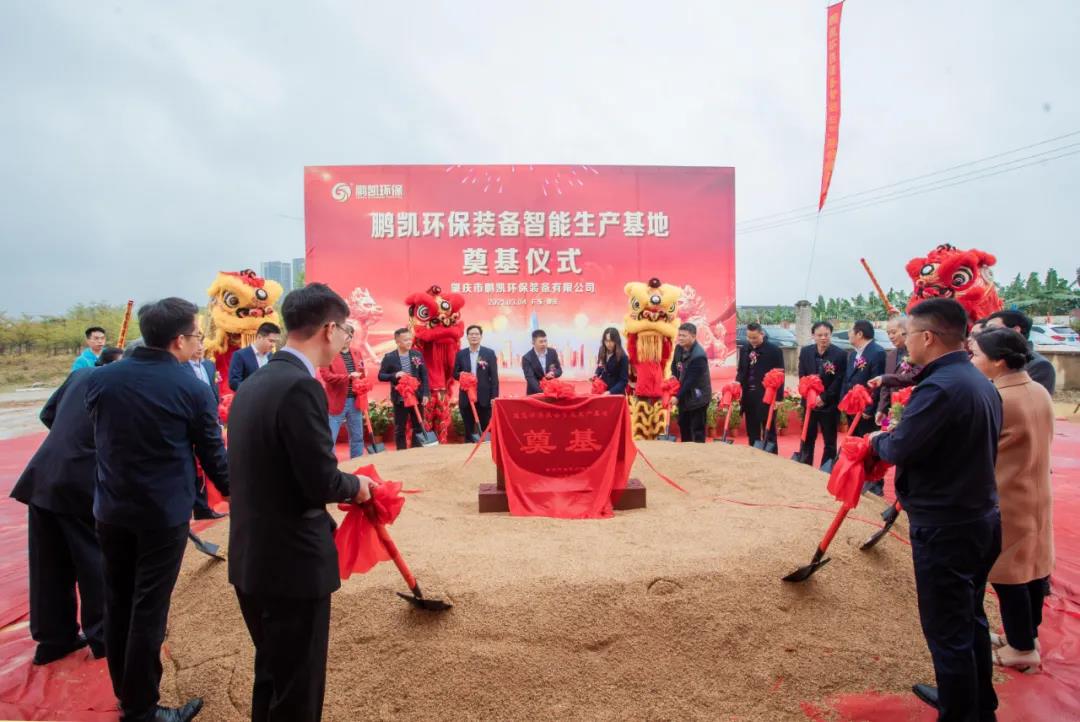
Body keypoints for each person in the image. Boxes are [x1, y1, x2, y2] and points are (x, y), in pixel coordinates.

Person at [227, 284, 376, 722]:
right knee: (297, 691)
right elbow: (319, 480)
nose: (346, 340)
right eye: (346, 331)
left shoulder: (255, 383)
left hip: (253, 558)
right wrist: (356, 486)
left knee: (273, 675)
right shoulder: (300, 386)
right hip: (290, 564)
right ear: (329, 329)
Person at [86, 299, 229, 722]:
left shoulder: (101, 378)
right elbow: (213, 456)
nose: (199, 343)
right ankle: (142, 709)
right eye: (197, 336)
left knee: (118, 601)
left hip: (111, 509)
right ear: (179, 340)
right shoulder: (191, 387)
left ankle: (126, 692)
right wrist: (243, 495)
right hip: (161, 516)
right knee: (149, 608)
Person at [869, 298, 1002, 720]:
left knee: (948, 631)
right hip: (980, 517)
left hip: (947, 526)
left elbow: (900, 447)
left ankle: (959, 711)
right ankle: (978, 702)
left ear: (927, 337)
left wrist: (875, 441)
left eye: (907, 335)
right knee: (970, 617)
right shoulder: (977, 380)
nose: (904, 343)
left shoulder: (940, 388)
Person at [10, 347, 122, 666]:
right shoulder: (120, 385)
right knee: (94, 560)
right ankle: (104, 636)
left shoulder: (80, 375)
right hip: (80, 484)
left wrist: (70, 440)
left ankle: (53, 640)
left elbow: (48, 414)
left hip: (43, 477)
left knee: (48, 564)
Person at [970, 328, 1055, 673]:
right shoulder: (1037, 389)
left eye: (976, 354)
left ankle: (1022, 648)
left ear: (998, 362)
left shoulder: (998, 398)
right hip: (1034, 493)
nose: (972, 360)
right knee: (1031, 568)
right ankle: (1026, 636)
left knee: (1009, 576)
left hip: (1007, 495)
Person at [842, 320, 887, 495]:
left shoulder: (877, 353)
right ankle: (856, 478)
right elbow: (848, 380)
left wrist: (870, 408)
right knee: (855, 443)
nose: (848, 334)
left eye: (850, 331)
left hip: (867, 409)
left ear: (859, 334)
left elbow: (878, 383)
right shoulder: (853, 354)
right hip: (853, 407)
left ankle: (875, 483)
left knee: (869, 445)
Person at [183, 344, 226, 521]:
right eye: (196, 342)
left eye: (202, 343)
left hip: (210, 418)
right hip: (191, 421)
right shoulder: (181, 367)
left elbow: (214, 392)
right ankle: (196, 506)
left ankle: (203, 507)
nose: (200, 347)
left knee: (208, 460)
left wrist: (218, 418)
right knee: (194, 466)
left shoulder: (209, 365)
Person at [795, 321, 847, 467]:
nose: (823, 338)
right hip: (809, 404)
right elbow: (802, 374)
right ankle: (805, 467)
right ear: (813, 336)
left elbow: (839, 380)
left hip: (829, 405)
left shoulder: (840, 354)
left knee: (829, 441)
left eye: (826, 334)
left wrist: (824, 397)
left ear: (831, 334)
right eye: (819, 335)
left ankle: (826, 469)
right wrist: (810, 395)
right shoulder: (806, 351)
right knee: (807, 438)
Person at [319, 322, 369, 458]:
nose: (346, 338)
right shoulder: (328, 352)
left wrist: (363, 384)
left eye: (349, 335)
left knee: (357, 436)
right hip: (336, 401)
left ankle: (357, 462)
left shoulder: (357, 353)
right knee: (330, 438)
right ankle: (330, 465)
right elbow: (326, 376)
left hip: (355, 401)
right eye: (343, 334)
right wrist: (348, 377)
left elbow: (362, 374)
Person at [378, 328, 430, 450]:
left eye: (410, 339)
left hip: (416, 396)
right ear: (397, 341)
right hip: (400, 398)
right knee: (400, 428)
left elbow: (424, 375)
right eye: (405, 340)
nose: (409, 342)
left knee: (418, 425)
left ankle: (416, 450)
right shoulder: (390, 357)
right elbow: (381, 376)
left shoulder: (417, 355)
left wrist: (425, 394)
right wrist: (394, 375)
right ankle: (401, 452)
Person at [735, 322, 784, 450]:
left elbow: (780, 375)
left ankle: (771, 456)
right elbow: (741, 370)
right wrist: (737, 384)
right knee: (752, 431)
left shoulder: (774, 350)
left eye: (755, 337)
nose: (752, 340)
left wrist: (778, 398)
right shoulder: (745, 348)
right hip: (749, 396)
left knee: (769, 430)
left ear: (762, 334)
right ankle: (753, 454)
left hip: (766, 396)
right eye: (749, 337)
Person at [984, 310, 1056, 395]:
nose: (985, 333)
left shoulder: (1040, 365)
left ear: (1015, 330)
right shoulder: (992, 359)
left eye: (992, 328)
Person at [452, 324, 499, 440]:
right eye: (471, 334)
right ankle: (469, 447)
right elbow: (455, 373)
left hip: (484, 396)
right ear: (467, 337)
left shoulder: (489, 353)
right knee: (468, 430)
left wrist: (494, 397)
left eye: (476, 334)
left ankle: (485, 449)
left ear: (481, 336)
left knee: (485, 430)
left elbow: (494, 377)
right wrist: (463, 376)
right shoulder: (461, 354)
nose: (474, 336)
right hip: (466, 396)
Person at [871, 315, 919, 426]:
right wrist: (881, 409)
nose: (890, 336)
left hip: (911, 407)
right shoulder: (891, 355)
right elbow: (885, 385)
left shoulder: (917, 352)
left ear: (905, 331)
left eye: (893, 332)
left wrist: (885, 379)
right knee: (886, 429)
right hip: (892, 409)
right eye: (888, 333)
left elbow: (915, 376)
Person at [670, 323, 711, 443]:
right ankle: (686, 452)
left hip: (698, 395)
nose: (680, 338)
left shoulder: (699, 356)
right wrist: (673, 377)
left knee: (697, 429)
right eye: (679, 335)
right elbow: (675, 365)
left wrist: (677, 397)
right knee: (684, 426)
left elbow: (690, 381)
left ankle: (699, 452)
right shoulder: (679, 348)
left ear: (693, 336)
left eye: (684, 336)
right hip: (684, 394)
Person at [228, 322, 281, 391]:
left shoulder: (272, 357)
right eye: (271, 341)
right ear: (259, 337)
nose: (273, 345)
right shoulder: (240, 355)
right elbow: (234, 382)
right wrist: (253, 392)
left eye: (275, 342)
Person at [521, 329, 563, 395]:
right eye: (541, 342)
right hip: (535, 393)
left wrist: (554, 373)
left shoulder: (552, 352)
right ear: (533, 342)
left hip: (552, 391)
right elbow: (530, 378)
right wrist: (544, 392)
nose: (544, 344)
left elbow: (559, 370)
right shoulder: (526, 358)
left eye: (545, 341)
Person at [594, 327, 629, 395]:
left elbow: (623, 381)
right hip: (602, 390)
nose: (608, 344)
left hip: (616, 393)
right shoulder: (601, 350)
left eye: (611, 341)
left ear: (616, 340)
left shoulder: (623, 357)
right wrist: (596, 375)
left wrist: (610, 392)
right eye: (606, 341)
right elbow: (600, 366)